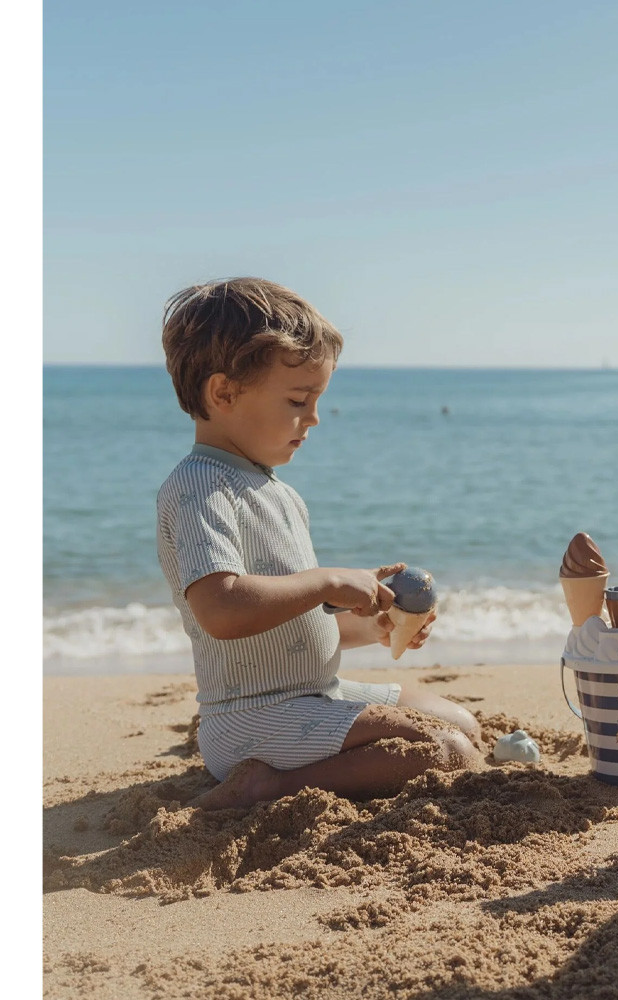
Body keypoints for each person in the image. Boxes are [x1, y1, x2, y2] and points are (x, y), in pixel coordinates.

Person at [156, 277, 481, 810]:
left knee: (460, 723)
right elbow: (222, 609)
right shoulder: (200, 487)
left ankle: (295, 773)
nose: (313, 417)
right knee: (446, 750)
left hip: (312, 694)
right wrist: (330, 580)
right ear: (224, 393)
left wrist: (373, 626)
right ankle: (265, 785)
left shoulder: (278, 493)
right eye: (298, 399)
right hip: (251, 717)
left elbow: (294, 624)